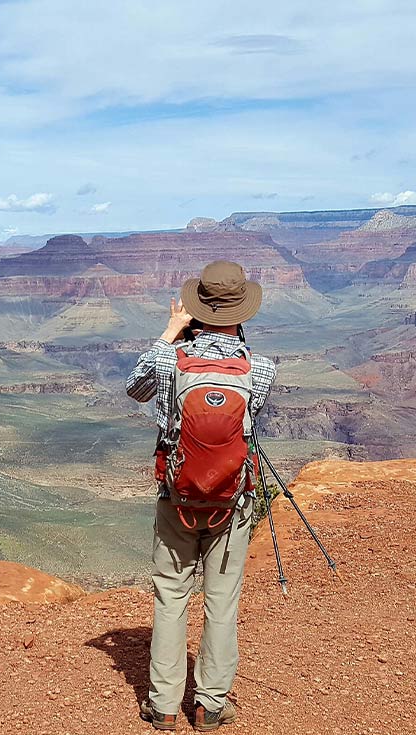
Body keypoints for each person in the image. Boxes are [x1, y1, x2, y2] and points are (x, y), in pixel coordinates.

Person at [126, 260, 276, 732]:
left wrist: (170, 333)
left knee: (171, 596)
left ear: (196, 308)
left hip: (177, 497)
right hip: (232, 501)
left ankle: (164, 706)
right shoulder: (262, 368)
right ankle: (210, 704)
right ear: (242, 311)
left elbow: (136, 390)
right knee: (221, 600)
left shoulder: (170, 359)